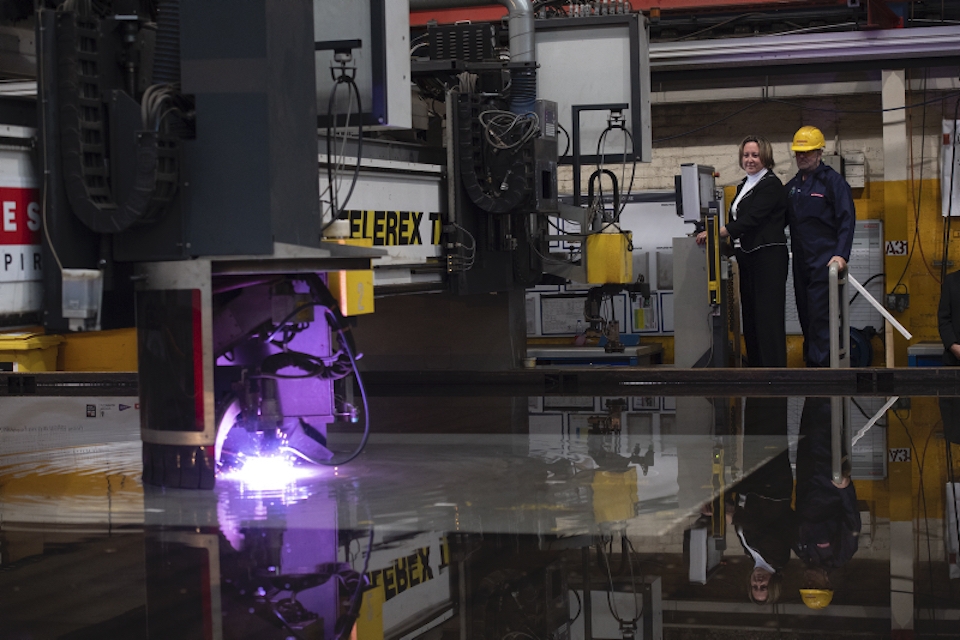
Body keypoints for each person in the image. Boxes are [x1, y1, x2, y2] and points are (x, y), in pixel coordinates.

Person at [697, 136, 788, 367]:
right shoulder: (742, 186)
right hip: (748, 257)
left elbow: (753, 218)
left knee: (768, 319)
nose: (750, 159)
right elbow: (740, 221)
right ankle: (758, 371)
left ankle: (774, 373)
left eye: (755, 155)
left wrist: (720, 232)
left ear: (765, 157)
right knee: (752, 319)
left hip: (768, 258)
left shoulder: (770, 184)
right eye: (746, 155)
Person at [786, 126, 857, 368]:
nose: (802, 157)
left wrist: (841, 255)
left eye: (807, 152)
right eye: (798, 153)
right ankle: (812, 368)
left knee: (821, 318)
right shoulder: (793, 186)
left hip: (824, 262)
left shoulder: (833, 182)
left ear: (819, 153)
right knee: (805, 316)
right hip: (801, 262)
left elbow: (846, 219)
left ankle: (823, 373)